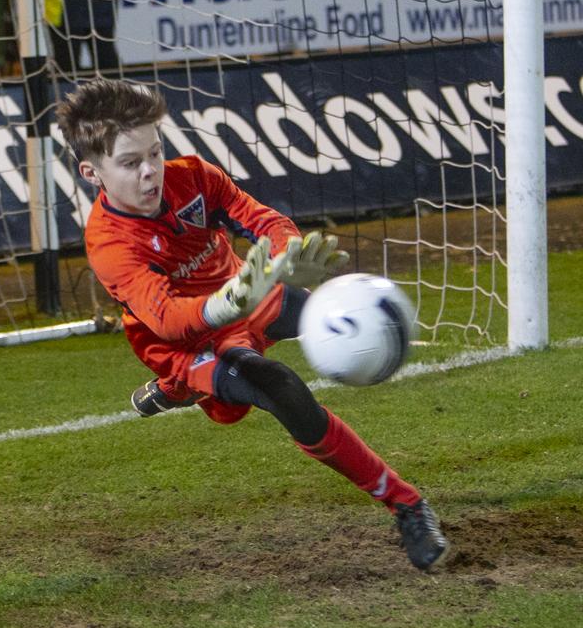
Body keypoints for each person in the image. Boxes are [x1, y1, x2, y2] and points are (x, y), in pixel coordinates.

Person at [55, 79, 450, 571]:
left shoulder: (194, 176)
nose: (151, 172)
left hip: (249, 294)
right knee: (280, 387)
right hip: (186, 340)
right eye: (131, 163)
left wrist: (287, 256)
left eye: (155, 153)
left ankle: (408, 506)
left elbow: (261, 219)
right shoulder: (110, 245)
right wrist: (227, 305)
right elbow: (169, 320)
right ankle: (403, 499)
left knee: (339, 313)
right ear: (91, 172)